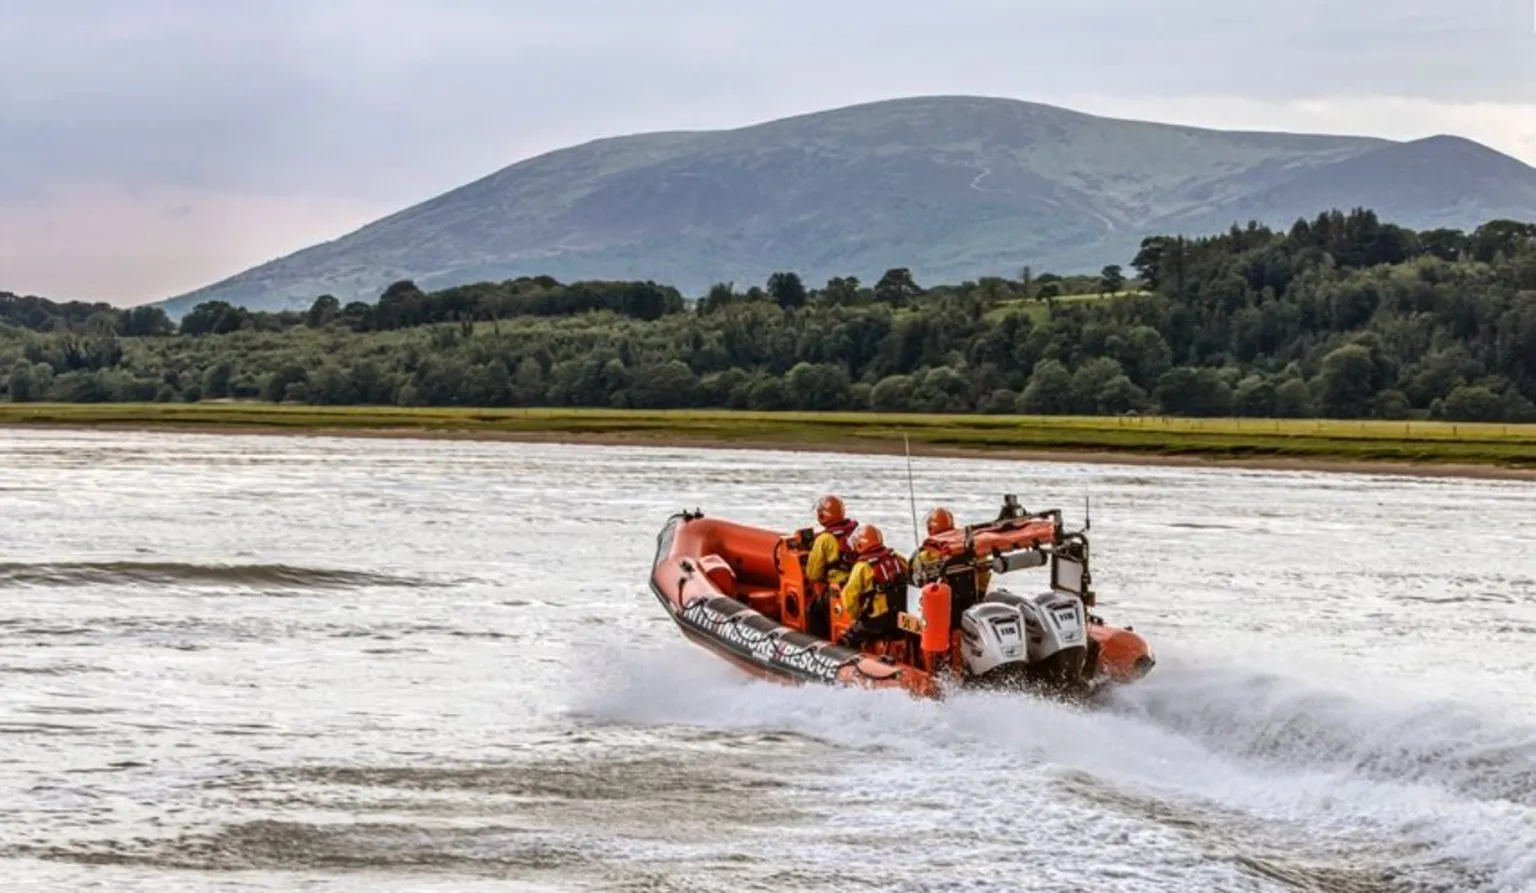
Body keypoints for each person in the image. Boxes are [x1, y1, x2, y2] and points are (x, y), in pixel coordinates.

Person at [909, 506, 989, 622]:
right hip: (969, 606)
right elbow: (984, 576)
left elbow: (915, 588)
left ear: (930, 529)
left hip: (938, 613)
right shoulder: (971, 550)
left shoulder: (923, 557)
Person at [837, 523, 910, 648]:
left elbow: (849, 596)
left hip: (877, 621)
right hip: (900, 617)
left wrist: (857, 617)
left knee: (847, 640)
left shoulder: (862, 567)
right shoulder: (896, 558)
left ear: (860, 544)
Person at [804, 494, 858, 637]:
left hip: (840, 589)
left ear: (823, 516)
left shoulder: (824, 539)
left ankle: (818, 643)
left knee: (814, 609)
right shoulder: (855, 531)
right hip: (859, 585)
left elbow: (813, 574)